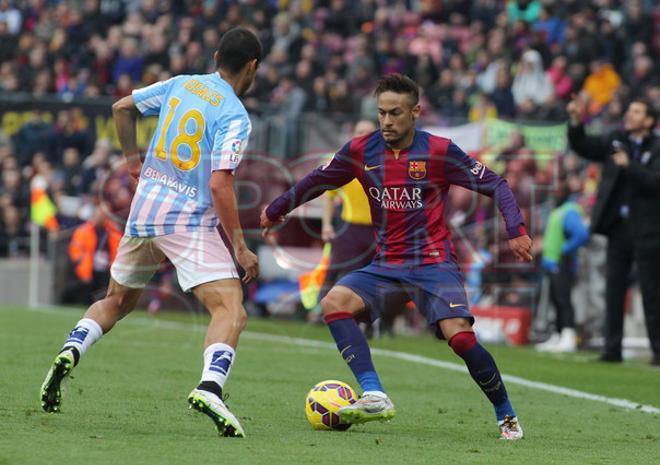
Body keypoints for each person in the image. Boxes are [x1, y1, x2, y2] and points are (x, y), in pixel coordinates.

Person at [261, 74, 533, 439]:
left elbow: (497, 183)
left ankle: (507, 415)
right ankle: (373, 393)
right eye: (381, 113)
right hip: (386, 264)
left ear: (416, 112)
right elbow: (317, 180)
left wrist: (515, 229)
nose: (387, 121)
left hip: (433, 262)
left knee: (461, 339)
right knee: (334, 303)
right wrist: (279, 207)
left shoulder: (439, 151)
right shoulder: (361, 150)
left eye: (396, 113)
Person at [39, 27, 262, 438]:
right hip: (186, 218)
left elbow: (122, 107)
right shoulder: (234, 114)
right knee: (230, 309)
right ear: (251, 67)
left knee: (116, 301)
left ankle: (71, 348)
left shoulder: (181, 85)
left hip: (144, 211)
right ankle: (210, 387)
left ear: (215, 56)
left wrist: (130, 161)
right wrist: (241, 247)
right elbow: (219, 184)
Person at [567, 95, 660, 366]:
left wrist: (629, 166)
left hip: (649, 230)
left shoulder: (656, 148)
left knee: (652, 292)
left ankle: (658, 351)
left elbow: (656, 182)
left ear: (650, 120)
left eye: (637, 111)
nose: (629, 115)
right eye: (629, 109)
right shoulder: (615, 140)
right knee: (613, 289)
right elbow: (584, 145)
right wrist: (575, 120)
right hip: (618, 229)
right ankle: (612, 349)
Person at [536, 178, 589, 353]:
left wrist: (565, 250)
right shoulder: (558, 211)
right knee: (555, 300)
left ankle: (568, 334)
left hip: (562, 262)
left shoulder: (569, 211)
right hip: (552, 263)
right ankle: (558, 334)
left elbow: (581, 234)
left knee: (563, 299)